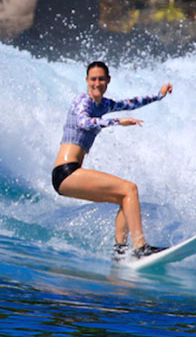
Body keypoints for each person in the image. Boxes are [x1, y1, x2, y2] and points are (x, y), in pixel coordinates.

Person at [52, 61, 173, 260]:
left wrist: (159, 96)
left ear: (108, 81)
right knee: (130, 189)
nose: (97, 83)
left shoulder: (103, 104)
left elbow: (131, 103)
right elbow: (84, 122)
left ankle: (121, 252)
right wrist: (118, 121)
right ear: (86, 81)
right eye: (93, 79)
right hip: (65, 172)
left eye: (101, 79)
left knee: (124, 198)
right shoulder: (83, 101)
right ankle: (141, 247)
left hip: (71, 173)